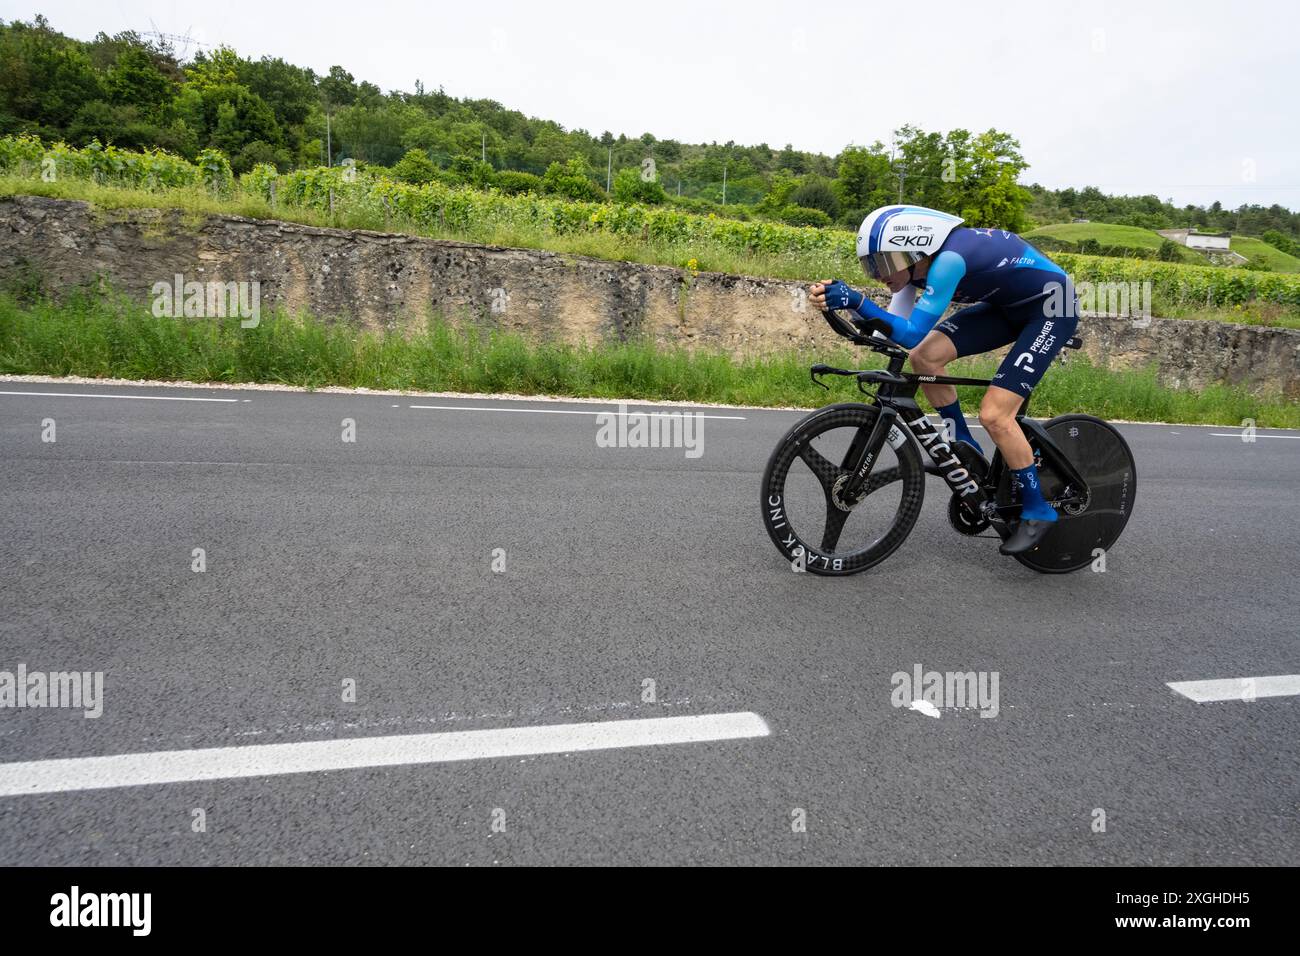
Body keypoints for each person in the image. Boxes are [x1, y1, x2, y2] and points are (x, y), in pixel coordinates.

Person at [808, 205, 1079, 556]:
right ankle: (963, 447)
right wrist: (844, 306)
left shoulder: (949, 260)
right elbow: (897, 331)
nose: (878, 275)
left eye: (883, 263)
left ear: (915, 248)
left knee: (996, 415)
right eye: (870, 266)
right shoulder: (912, 273)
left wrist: (856, 300)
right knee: (925, 357)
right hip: (1007, 308)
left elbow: (910, 332)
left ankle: (1038, 508)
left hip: (1051, 309)